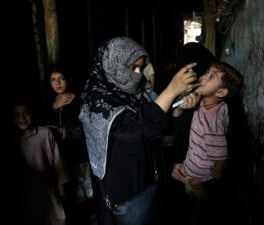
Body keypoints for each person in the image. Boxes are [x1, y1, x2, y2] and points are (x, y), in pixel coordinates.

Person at [78, 36, 198, 225]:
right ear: (113, 64)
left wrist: (176, 110)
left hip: (148, 173)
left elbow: (155, 127)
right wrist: (170, 91)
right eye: (132, 67)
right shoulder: (96, 99)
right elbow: (134, 128)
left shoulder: (138, 91)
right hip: (122, 182)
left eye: (141, 68)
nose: (137, 74)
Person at [171, 62, 244, 225]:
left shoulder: (212, 122)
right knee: (193, 199)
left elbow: (220, 154)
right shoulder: (214, 103)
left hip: (198, 174)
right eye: (207, 72)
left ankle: (194, 217)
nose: (203, 77)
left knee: (196, 201)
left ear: (221, 91)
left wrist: (214, 175)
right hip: (193, 163)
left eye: (212, 77)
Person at [44, 63, 96, 225]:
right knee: (71, 200)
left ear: (68, 80)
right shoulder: (49, 102)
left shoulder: (78, 100)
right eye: (53, 80)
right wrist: (53, 108)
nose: (57, 83)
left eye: (61, 79)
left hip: (81, 157)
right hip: (61, 160)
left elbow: (87, 129)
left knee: (89, 196)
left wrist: (62, 131)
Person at [11, 101, 69, 225]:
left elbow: (57, 158)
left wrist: (61, 182)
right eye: (17, 115)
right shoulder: (14, 141)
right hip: (28, 191)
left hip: (48, 186)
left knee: (55, 216)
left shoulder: (44, 133)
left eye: (26, 113)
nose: (22, 118)